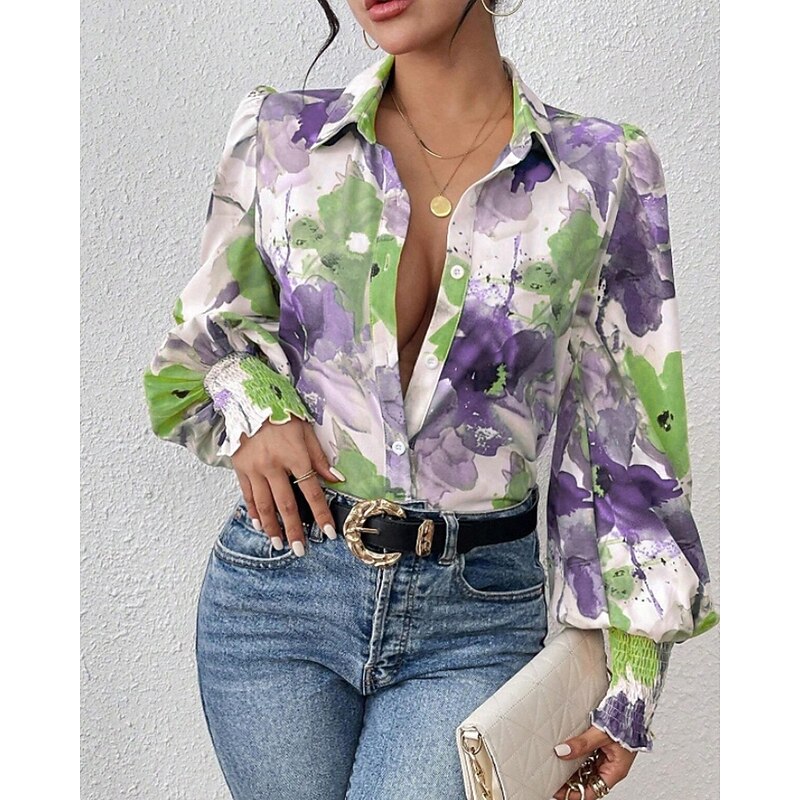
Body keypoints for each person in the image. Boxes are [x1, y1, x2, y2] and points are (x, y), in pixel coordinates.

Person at [143, 1, 719, 798]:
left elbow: (624, 435)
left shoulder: (602, 170)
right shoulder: (280, 136)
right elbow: (199, 348)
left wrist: (632, 672)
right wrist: (255, 409)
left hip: (475, 616)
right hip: (278, 593)